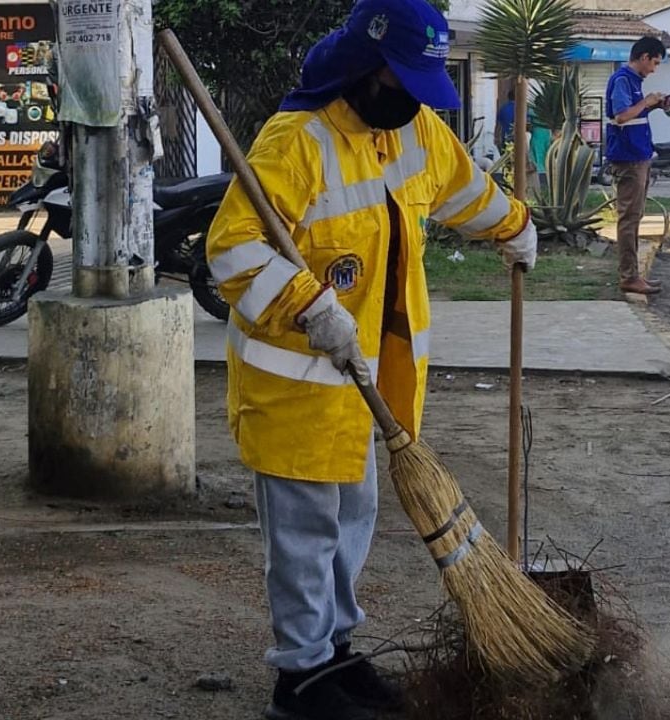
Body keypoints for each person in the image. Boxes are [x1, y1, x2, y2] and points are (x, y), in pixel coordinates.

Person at [206, 1, 539, 718]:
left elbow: (458, 187)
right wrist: (306, 300)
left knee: (351, 527)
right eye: (403, 82)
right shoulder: (294, 141)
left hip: (371, 388)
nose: (415, 100)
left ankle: (336, 655)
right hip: (293, 388)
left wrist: (514, 225)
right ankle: (299, 681)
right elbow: (230, 249)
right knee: (304, 539)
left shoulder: (411, 127)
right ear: (364, 67)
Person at [605, 36, 670, 295]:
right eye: (654, 63)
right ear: (644, 57)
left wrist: (653, 106)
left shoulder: (633, 82)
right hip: (628, 158)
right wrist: (646, 102)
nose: (654, 69)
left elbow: (633, 114)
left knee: (635, 218)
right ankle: (628, 276)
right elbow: (621, 115)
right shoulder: (623, 80)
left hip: (638, 155)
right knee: (628, 219)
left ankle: (633, 274)